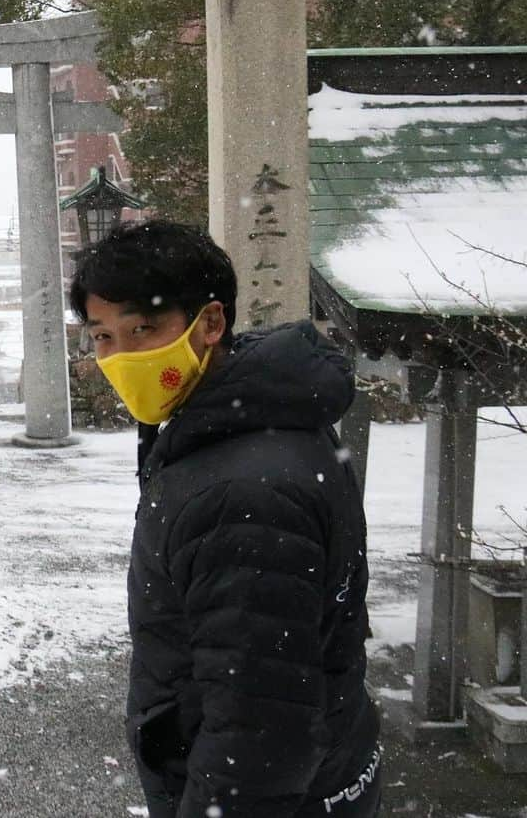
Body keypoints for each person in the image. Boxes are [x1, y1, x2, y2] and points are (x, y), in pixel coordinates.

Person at [70, 220, 381, 818]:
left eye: (143, 329)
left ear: (210, 323)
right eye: (103, 336)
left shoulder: (241, 494)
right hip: (329, 767)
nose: (121, 356)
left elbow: (258, 726)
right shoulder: (255, 414)